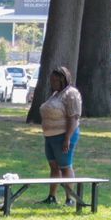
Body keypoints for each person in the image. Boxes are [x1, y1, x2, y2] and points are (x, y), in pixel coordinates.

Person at [38, 64, 83, 203]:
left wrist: (67, 138)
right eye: (51, 80)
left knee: (65, 166)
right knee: (54, 166)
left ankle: (70, 198)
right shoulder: (55, 94)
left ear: (63, 79)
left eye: (55, 80)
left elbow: (73, 118)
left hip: (63, 135)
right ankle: (52, 196)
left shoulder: (71, 93)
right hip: (50, 136)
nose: (52, 83)